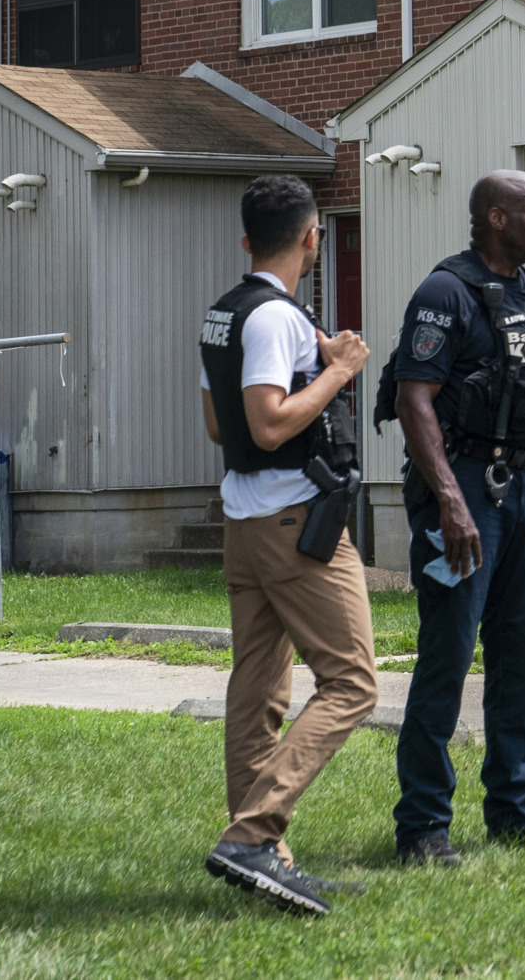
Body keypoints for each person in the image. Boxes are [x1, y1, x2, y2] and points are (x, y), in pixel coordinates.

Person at [389, 170, 525, 865]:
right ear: (497, 217)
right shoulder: (446, 292)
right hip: (466, 489)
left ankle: (514, 812)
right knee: (447, 652)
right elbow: (416, 402)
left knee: (522, 654)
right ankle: (422, 824)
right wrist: (449, 501)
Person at [197, 174, 376, 915]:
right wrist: (337, 370)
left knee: (260, 690)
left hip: (244, 522)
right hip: (293, 526)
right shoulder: (276, 318)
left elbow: (221, 425)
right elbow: (269, 423)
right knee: (352, 683)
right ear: (311, 237)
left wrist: (314, 355)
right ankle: (254, 832)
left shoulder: (224, 312)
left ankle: (264, 855)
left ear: (246, 239)